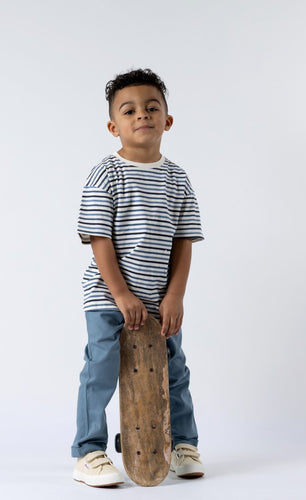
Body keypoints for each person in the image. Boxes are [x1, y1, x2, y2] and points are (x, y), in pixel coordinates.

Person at [72, 68, 205, 487]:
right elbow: (99, 238)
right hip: (109, 297)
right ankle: (89, 451)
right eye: (129, 110)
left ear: (167, 120)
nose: (141, 115)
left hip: (159, 300)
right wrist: (121, 295)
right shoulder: (106, 174)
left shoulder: (177, 178)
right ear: (114, 127)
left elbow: (184, 241)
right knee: (102, 368)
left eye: (152, 107)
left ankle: (181, 443)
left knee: (174, 369)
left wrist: (175, 297)